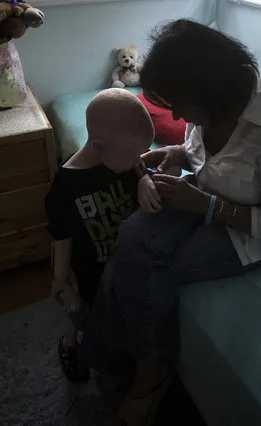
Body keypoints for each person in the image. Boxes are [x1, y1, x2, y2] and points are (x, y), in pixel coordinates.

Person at [82, 19, 261, 426]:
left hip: (247, 231)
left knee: (148, 265)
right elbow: (202, 157)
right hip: (200, 196)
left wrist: (204, 206)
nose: (175, 113)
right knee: (132, 235)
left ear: (210, 90)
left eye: (179, 104)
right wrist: (174, 155)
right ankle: (117, 356)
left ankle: (143, 372)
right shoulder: (207, 108)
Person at [44, 88, 157, 382]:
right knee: (83, 317)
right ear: (97, 144)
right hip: (88, 269)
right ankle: (69, 345)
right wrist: (60, 279)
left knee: (116, 314)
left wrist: (144, 178)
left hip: (121, 260)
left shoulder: (120, 159)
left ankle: (119, 350)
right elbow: (61, 236)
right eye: (134, 156)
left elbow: (139, 167)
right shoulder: (66, 186)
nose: (138, 160)